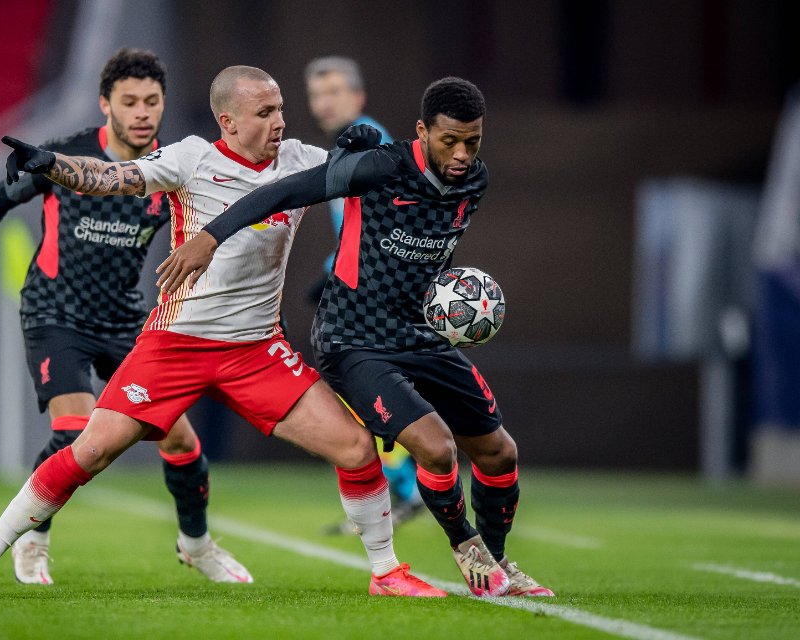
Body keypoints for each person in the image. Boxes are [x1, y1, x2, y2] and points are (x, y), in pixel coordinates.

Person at [0, 65, 446, 598]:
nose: (280, 121)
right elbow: (112, 178)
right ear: (228, 119)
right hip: (175, 344)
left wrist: (370, 152)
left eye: (281, 108)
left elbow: (389, 178)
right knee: (89, 451)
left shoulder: (300, 162)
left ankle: (386, 572)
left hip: (257, 351)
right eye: (264, 112)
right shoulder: (192, 157)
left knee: (357, 447)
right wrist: (54, 166)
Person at [155, 77, 555, 598]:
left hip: (420, 331)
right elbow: (284, 190)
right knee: (436, 449)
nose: (460, 154)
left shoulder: (473, 182)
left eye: (472, 142)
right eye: (449, 140)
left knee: (500, 453)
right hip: (354, 336)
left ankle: (499, 564)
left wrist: (451, 305)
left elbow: (429, 249)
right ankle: (472, 555)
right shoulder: (382, 166)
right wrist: (210, 237)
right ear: (422, 131)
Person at [0, 48, 250, 586]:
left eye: (152, 101)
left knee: (181, 441)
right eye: (128, 101)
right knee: (76, 429)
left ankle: (196, 546)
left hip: (125, 319)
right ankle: (32, 537)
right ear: (105, 104)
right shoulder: (68, 157)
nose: (141, 112)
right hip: (55, 312)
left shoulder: (174, 169)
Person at [304, 56, 424, 534]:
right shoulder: (350, 145)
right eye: (317, 93)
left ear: (359, 96)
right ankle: (401, 491)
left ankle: (409, 491)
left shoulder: (367, 141)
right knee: (362, 397)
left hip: (376, 297)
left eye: (334, 91)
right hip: (359, 287)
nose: (324, 102)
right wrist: (332, 269)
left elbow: (391, 220)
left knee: (365, 395)